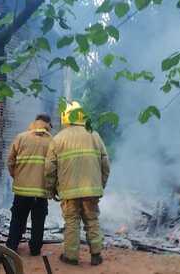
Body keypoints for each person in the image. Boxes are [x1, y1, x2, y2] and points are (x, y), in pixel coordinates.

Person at [45, 101, 110, 266]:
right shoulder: (94, 135)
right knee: (92, 220)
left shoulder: (58, 139)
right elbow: (105, 164)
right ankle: (96, 255)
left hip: (69, 191)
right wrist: (100, 185)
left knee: (72, 222)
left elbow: (49, 169)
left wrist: (51, 190)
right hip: (91, 190)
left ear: (64, 117)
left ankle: (71, 257)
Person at [5, 114, 53, 256]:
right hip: (41, 191)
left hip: (21, 190)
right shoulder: (51, 141)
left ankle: (12, 246)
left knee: (18, 218)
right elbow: (54, 166)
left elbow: (10, 161)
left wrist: (17, 176)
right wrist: (52, 186)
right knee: (38, 221)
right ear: (47, 124)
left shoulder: (21, 137)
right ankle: (35, 249)